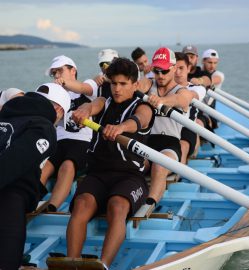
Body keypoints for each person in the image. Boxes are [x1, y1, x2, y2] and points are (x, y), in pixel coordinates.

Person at [66, 57, 154, 269]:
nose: (117, 89)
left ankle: (102, 265)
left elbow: (139, 120)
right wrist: (84, 111)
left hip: (130, 177)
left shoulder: (144, 107)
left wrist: (121, 127)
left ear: (135, 84)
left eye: (123, 84)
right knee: (82, 203)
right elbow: (92, 105)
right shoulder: (103, 102)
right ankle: (71, 263)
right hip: (98, 173)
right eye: (114, 83)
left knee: (117, 205)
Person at [0, 83, 70, 270]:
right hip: (9, 198)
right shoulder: (44, 127)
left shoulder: (6, 117)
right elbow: (15, 161)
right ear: (58, 110)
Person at [40, 55, 101, 212]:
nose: (57, 76)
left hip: (82, 142)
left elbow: (85, 87)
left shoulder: (87, 88)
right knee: (44, 167)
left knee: (67, 166)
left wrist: (65, 84)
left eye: (60, 71)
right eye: (54, 73)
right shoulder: (54, 94)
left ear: (73, 70)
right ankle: (28, 201)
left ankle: (52, 207)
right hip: (59, 142)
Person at [138, 47, 198, 204]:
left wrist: (162, 101)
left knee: (159, 165)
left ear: (173, 68)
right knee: (134, 164)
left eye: (164, 71)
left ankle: (149, 204)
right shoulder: (148, 84)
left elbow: (182, 100)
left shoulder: (182, 90)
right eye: (156, 71)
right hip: (146, 143)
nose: (160, 76)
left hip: (170, 146)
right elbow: (135, 87)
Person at [174, 52, 206, 164]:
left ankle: (178, 173)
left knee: (182, 147)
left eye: (181, 68)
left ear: (188, 68)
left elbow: (191, 96)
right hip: (167, 129)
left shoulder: (197, 88)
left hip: (187, 129)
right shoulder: (162, 87)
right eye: (174, 68)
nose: (177, 72)